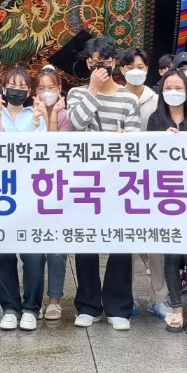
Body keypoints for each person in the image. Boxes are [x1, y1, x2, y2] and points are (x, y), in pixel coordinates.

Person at [66, 36, 139, 330]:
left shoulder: (128, 98)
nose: (101, 67)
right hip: (86, 178)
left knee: (120, 242)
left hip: (119, 180)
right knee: (86, 243)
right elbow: (77, 123)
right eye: (96, 63)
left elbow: (132, 138)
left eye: (106, 62)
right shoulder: (76, 94)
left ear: (115, 63)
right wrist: (92, 90)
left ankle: (119, 306)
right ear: (88, 64)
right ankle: (88, 305)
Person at [144, 68, 187, 333]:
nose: (174, 92)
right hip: (166, 194)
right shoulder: (155, 119)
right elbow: (146, 156)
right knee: (170, 254)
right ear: (161, 91)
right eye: (168, 88)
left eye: (179, 87)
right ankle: (175, 307)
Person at [0, 66, 47, 331]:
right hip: (0, 193)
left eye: (23, 86)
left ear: (29, 91)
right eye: (12, 85)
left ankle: (32, 307)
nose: (17, 90)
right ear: (4, 88)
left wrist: (34, 123)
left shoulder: (38, 116)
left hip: (31, 192)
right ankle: (10, 307)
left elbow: (37, 152)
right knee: (3, 254)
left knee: (34, 254)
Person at [31, 66, 69, 321]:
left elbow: (58, 148)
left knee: (56, 245)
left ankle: (54, 298)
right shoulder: (27, 115)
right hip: (31, 185)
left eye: (51, 88)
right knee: (32, 247)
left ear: (60, 90)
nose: (47, 93)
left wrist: (52, 116)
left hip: (59, 185)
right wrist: (35, 120)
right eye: (42, 88)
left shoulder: (66, 115)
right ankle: (32, 300)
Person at [119, 46, 158, 123]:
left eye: (140, 67)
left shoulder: (157, 101)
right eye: (130, 68)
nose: (135, 71)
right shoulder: (117, 99)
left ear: (146, 69)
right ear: (122, 70)